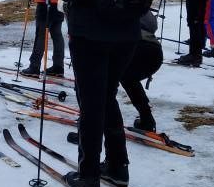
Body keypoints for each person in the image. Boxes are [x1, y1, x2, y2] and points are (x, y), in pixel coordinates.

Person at [44, 0, 145, 187]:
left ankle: (88, 176)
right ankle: (117, 166)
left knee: (90, 104)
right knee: (107, 98)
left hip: (91, 36)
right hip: (127, 35)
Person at [67, 8, 163, 145]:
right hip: (153, 50)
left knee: (92, 86)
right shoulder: (132, 0)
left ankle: (86, 132)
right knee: (128, 79)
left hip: (126, 45)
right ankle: (146, 119)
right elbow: (152, 23)